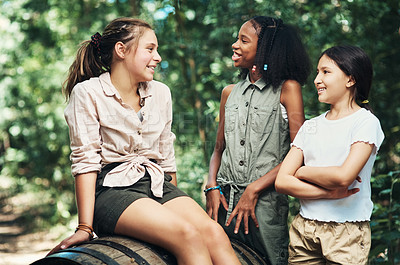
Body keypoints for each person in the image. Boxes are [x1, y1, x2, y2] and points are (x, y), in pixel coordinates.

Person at [48, 17, 241, 265]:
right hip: (111, 191)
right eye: (150, 49)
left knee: (214, 233)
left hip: (155, 184)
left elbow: (165, 156)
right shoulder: (88, 93)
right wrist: (85, 226)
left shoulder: (161, 92)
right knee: (187, 236)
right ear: (121, 50)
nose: (158, 57)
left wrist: (173, 202)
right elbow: (85, 162)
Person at [206, 16, 311, 265]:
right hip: (221, 201)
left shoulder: (288, 89)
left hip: (264, 207)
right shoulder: (228, 93)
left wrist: (254, 189)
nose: (235, 45)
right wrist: (211, 185)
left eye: (243, 40)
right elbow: (218, 149)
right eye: (237, 38)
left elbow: (299, 152)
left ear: (265, 49)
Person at [275, 45, 384, 264]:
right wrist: (330, 194)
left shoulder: (365, 122)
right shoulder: (311, 126)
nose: (317, 79)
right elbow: (282, 181)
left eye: (326, 72)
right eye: (317, 72)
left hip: (347, 232)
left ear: (350, 79)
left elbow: (344, 177)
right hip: (304, 229)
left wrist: (303, 170)